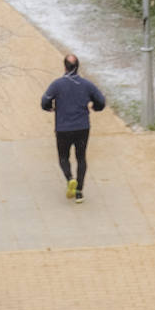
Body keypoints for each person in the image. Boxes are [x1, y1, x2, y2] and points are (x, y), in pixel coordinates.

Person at [41, 53, 105, 202]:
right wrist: (95, 107)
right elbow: (101, 101)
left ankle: (70, 178)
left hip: (63, 128)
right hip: (82, 127)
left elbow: (45, 100)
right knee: (81, 158)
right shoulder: (87, 85)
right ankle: (79, 192)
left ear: (64, 66)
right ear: (78, 67)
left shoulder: (57, 84)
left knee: (63, 157)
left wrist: (49, 108)